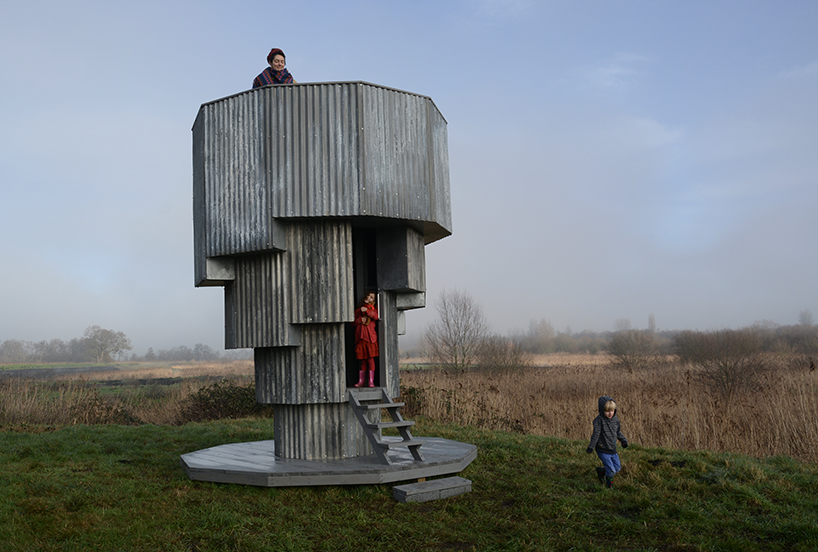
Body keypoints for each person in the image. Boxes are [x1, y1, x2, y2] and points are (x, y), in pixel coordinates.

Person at [586, 395, 628, 488]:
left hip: (612, 449)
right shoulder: (599, 421)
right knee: (611, 470)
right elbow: (595, 435)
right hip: (602, 449)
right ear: (602, 410)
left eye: (612, 411)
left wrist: (623, 441)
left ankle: (602, 471)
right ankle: (609, 485)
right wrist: (591, 447)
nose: (610, 413)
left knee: (617, 468)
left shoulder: (615, 420)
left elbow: (617, 432)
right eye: (607, 411)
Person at [353, 291, 379, 388]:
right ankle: (361, 381)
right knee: (362, 361)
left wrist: (367, 311)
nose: (368, 297)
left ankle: (371, 381)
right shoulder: (358, 311)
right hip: (360, 338)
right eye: (368, 296)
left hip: (370, 339)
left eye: (371, 297)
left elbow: (376, 317)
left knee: (370, 360)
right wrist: (359, 320)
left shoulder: (373, 310)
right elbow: (352, 322)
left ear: (374, 301)